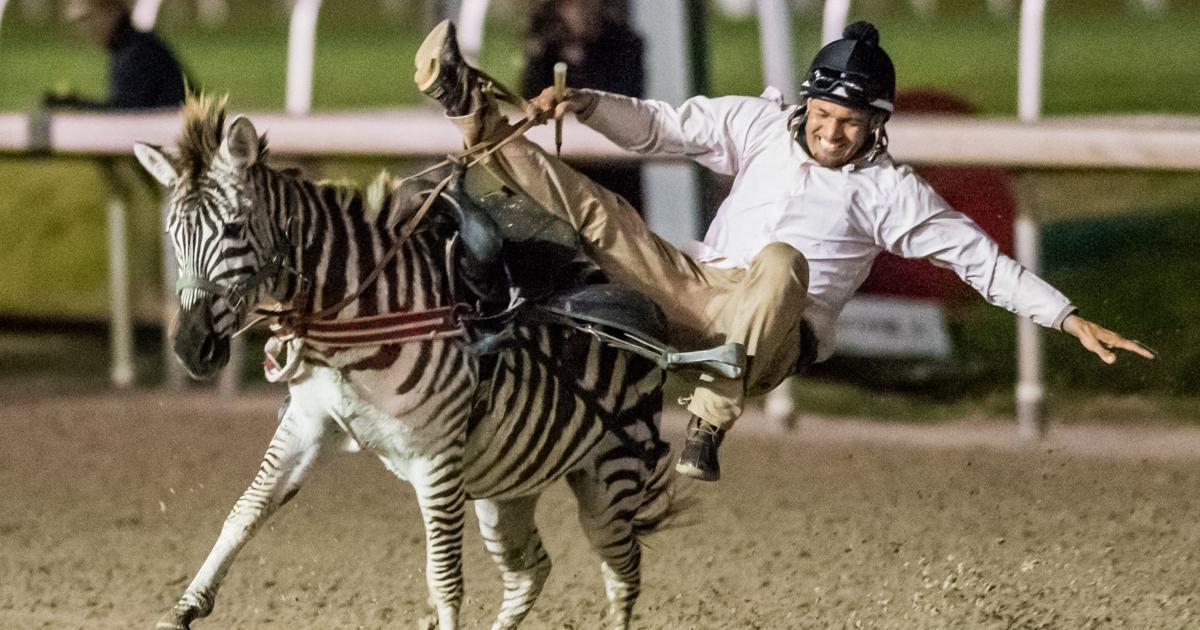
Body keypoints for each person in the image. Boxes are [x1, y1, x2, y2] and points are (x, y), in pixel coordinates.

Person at [414, 20, 1155, 482]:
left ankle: (707, 421)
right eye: (827, 115)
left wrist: (1065, 316)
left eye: (852, 123)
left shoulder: (893, 192)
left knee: (782, 262)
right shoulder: (761, 124)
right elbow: (656, 128)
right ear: (808, 103)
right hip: (692, 288)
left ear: (878, 126)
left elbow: (981, 263)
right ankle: (469, 111)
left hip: (773, 332)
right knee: (593, 207)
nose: (834, 133)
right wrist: (581, 103)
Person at [520, 0, 646, 210]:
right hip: (562, 177)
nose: (579, 11)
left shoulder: (624, 44)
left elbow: (622, 98)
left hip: (614, 178)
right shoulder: (545, 47)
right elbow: (531, 98)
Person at [43, 0, 186, 110]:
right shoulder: (129, 46)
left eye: (90, 19)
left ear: (112, 11)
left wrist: (76, 106)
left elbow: (124, 118)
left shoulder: (136, 53)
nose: (87, 30)